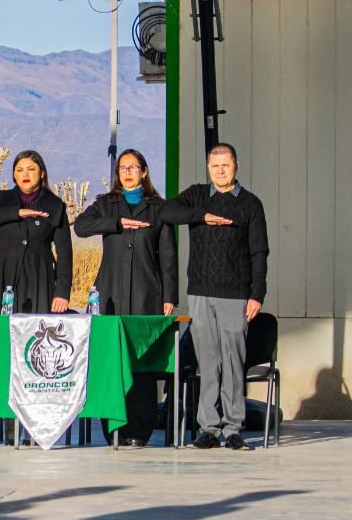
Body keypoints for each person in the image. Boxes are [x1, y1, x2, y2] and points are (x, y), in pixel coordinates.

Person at [159, 143, 269, 450]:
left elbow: (259, 252)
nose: (220, 171)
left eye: (226, 165)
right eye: (215, 166)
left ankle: (233, 428)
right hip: (200, 292)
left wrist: (257, 294)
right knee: (207, 362)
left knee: (233, 361)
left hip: (235, 294)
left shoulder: (250, 204)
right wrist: (201, 216)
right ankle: (208, 427)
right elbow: (166, 212)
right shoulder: (197, 195)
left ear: (236, 166)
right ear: (208, 167)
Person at [74, 149, 178, 446]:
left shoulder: (158, 208)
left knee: (142, 362)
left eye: (133, 168)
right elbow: (81, 227)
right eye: (123, 168)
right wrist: (117, 223)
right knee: (113, 362)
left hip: (147, 293)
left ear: (144, 172)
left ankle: (140, 431)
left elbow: (168, 255)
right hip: (111, 293)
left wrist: (169, 294)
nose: (128, 173)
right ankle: (113, 429)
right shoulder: (106, 204)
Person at [0, 149, 73, 314]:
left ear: (42, 173)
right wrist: (16, 213)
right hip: (4, 274)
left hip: (39, 276)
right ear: (14, 175)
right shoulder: (3, 198)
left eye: (31, 169)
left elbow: (65, 252)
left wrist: (62, 292)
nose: (25, 174)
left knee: (36, 326)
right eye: (19, 170)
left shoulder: (54, 204)